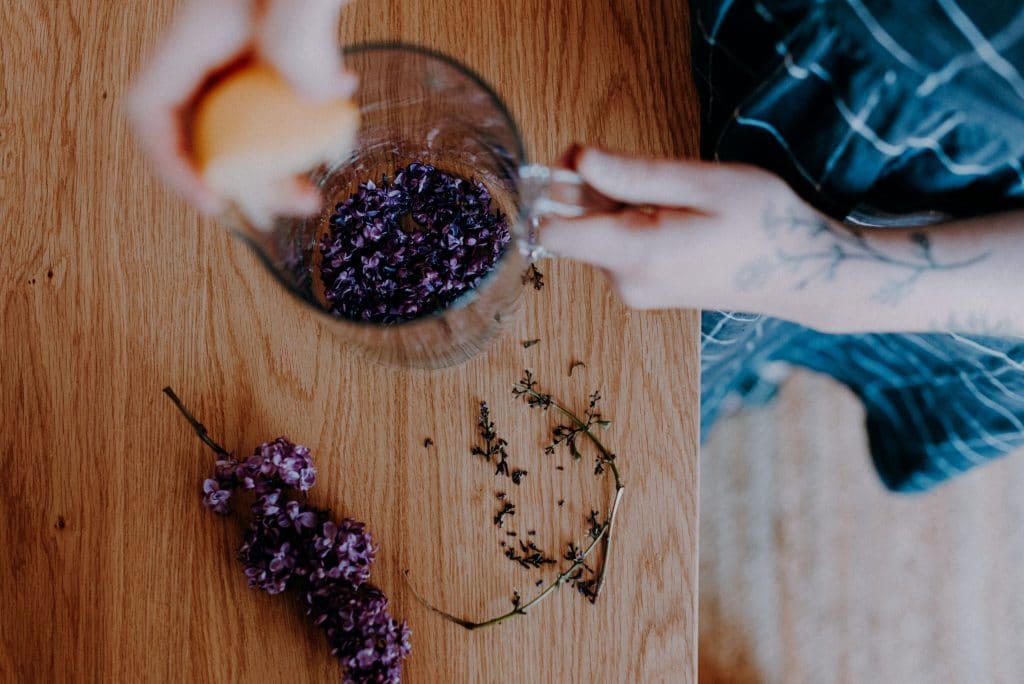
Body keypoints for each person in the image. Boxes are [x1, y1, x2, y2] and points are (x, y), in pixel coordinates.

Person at [131, 0, 1024, 492]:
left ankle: (764, 357)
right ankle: (740, 369)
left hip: (956, 218)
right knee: (705, 343)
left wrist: (831, 273)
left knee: (736, 327)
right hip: (752, 34)